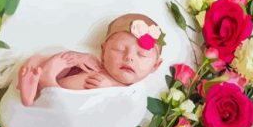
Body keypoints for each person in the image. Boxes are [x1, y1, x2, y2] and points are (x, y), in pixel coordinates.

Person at [17, 13, 164, 106]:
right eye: (119, 49)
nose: (129, 58)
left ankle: (46, 81)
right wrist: (78, 58)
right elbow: (80, 61)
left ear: (155, 66)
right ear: (103, 51)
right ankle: (34, 87)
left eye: (142, 55)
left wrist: (109, 87)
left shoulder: (129, 91)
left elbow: (116, 104)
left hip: (62, 99)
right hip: (58, 84)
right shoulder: (99, 63)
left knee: (61, 101)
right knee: (37, 60)